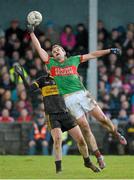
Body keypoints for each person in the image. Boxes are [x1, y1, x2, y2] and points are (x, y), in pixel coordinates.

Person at [27, 24, 127, 169]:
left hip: (82, 94)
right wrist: (31, 33)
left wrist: (109, 50)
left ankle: (116, 133)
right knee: (85, 127)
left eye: (58, 50)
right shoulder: (51, 64)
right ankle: (98, 156)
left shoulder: (74, 60)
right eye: (54, 51)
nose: (56, 51)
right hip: (68, 100)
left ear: (64, 52)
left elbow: (93, 55)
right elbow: (39, 48)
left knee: (102, 119)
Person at [14, 63, 100, 173]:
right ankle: (59, 170)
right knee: (58, 140)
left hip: (66, 113)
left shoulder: (64, 79)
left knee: (81, 140)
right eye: (47, 66)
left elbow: (77, 87)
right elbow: (30, 90)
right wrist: (22, 76)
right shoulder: (42, 80)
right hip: (52, 115)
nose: (49, 68)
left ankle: (87, 162)